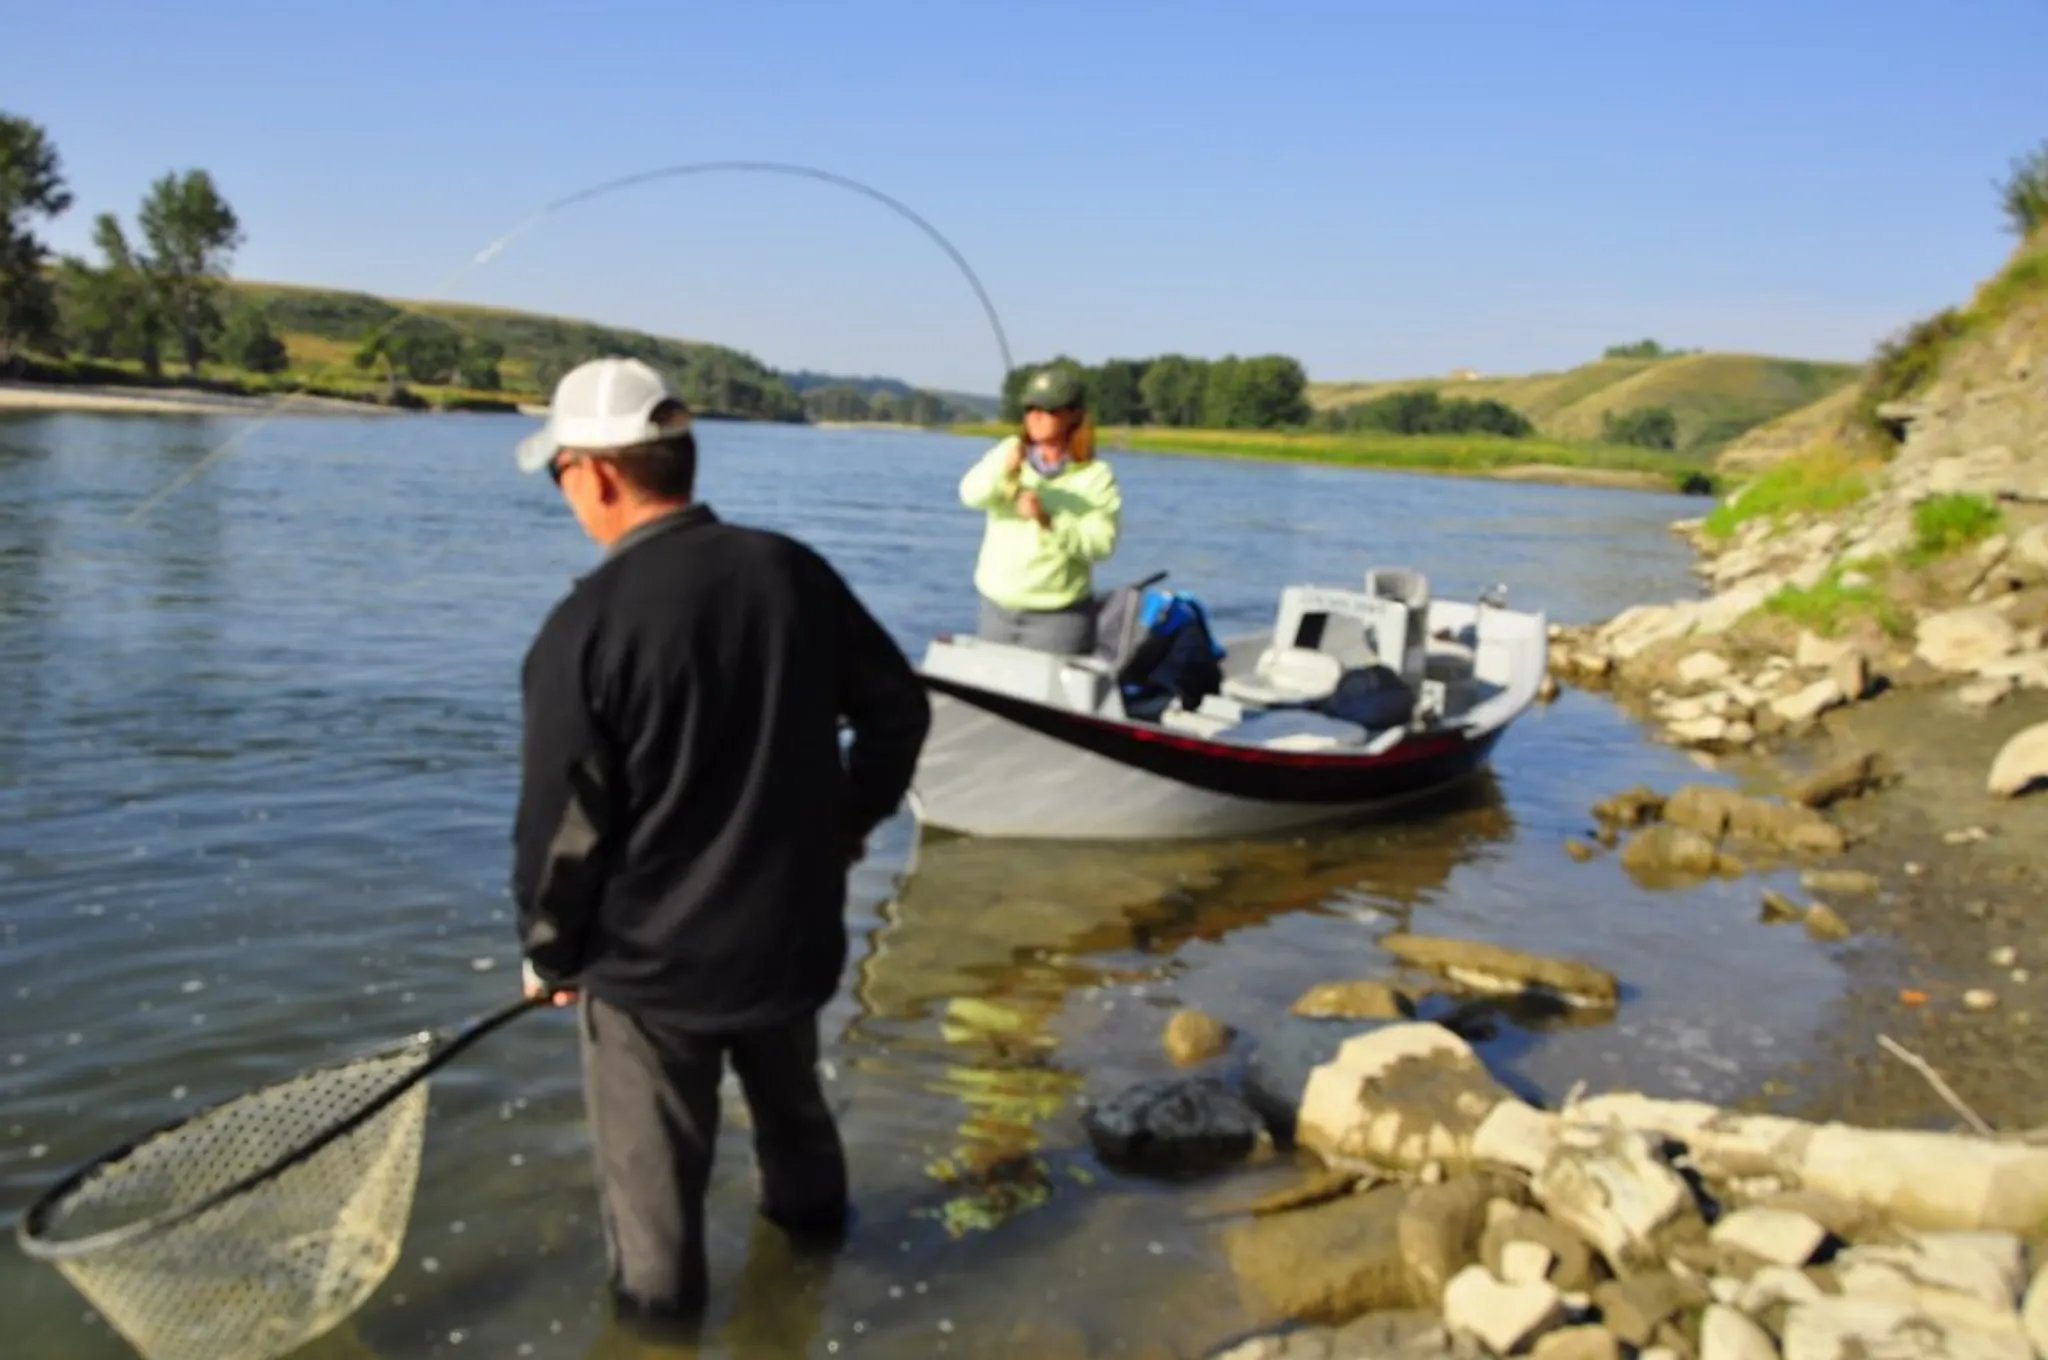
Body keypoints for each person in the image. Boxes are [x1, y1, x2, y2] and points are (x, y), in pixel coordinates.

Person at [507, 355, 932, 1340]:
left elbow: (560, 832)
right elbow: (898, 713)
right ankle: (814, 1288)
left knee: (653, 1228)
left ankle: (659, 1342)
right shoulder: (791, 571)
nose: (563, 491)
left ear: (596, 473)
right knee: (797, 1132)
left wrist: (548, 951)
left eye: (559, 472)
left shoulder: (582, 629)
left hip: (651, 975)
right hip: (788, 938)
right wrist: (843, 824)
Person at [957, 366, 1122, 654]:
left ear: (1074, 416)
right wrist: (1004, 472)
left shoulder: (1096, 475)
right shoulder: (1008, 451)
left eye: (1049, 409)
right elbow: (970, 495)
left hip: (1059, 619)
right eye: (1031, 408)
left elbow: (1101, 545)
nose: (1036, 416)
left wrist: (1048, 520)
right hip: (996, 610)